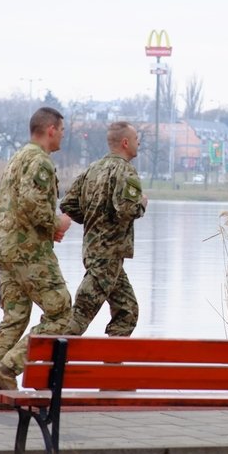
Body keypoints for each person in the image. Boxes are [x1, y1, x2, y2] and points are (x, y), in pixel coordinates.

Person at [0, 107, 73, 409]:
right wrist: (56, 223)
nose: (63, 135)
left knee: (14, 319)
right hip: (30, 253)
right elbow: (31, 203)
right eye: (62, 130)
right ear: (50, 129)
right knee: (61, 313)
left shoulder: (17, 158)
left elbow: (5, 204)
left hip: (6, 250)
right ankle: (7, 368)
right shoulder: (40, 161)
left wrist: (44, 227)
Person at [61, 121, 147, 336]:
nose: (138, 143)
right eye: (136, 139)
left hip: (97, 253)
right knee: (79, 315)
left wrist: (93, 220)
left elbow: (68, 204)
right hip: (107, 257)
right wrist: (142, 204)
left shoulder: (93, 168)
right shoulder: (126, 171)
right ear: (125, 142)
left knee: (127, 311)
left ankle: (113, 356)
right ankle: (41, 351)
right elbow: (127, 210)